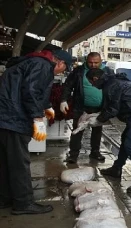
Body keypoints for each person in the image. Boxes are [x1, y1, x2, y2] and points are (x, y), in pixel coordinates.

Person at [0, 49, 72, 215]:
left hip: (5, 117)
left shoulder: (32, 62)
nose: (62, 72)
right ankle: (23, 203)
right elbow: (31, 91)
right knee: (19, 163)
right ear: (60, 63)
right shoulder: (42, 65)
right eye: (64, 68)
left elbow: (34, 89)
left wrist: (46, 106)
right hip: (14, 118)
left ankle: (4, 198)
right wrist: (37, 118)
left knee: (5, 161)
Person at [85, 69, 131, 193]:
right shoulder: (113, 82)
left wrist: (97, 120)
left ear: (95, 79)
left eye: (91, 83)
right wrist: (96, 114)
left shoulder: (112, 85)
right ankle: (117, 168)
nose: (93, 86)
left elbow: (112, 109)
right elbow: (109, 106)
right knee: (126, 140)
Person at [60, 52, 114, 163]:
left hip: (99, 108)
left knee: (97, 131)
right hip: (81, 106)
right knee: (77, 130)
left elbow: (113, 88)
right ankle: (73, 155)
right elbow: (68, 85)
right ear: (86, 61)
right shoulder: (79, 71)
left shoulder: (108, 72)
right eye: (90, 62)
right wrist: (63, 100)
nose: (93, 65)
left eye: (96, 62)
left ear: (101, 61)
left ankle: (95, 152)